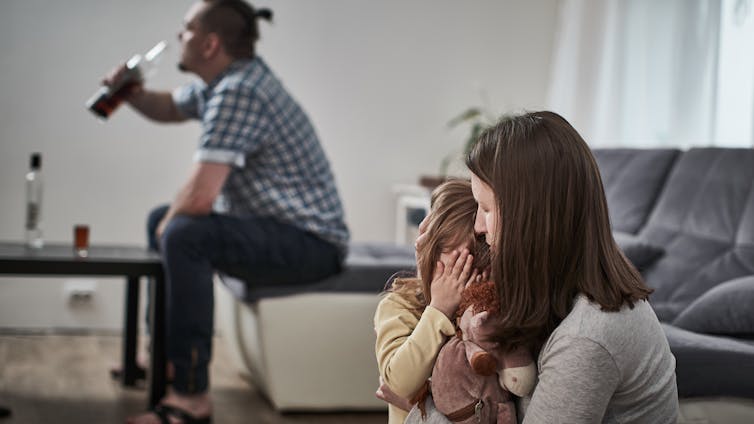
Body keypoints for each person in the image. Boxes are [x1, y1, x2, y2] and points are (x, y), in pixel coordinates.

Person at [104, 1, 350, 422]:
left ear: (210, 43)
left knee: (182, 232)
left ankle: (191, 397)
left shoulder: (239, 91)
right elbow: (167, 107)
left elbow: (200, 198)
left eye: (186, 29)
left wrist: (170, 227)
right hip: (281, 231)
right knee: (165, 222)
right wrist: (129, 93)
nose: (179, 36)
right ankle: (166, 358)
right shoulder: (225, 82)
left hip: (311, 244)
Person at [465, 111, 679, 423]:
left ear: (532, 217)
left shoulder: (587, 337)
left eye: (486, 208)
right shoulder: (551, 293)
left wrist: (415, 407)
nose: (478, 226)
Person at [374, 179, 486, 424]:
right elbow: (399, 383)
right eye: (449, 253)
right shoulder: (399, 305)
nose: (458, 273)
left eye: (471, 259)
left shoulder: (488, 316)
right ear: (430, 250)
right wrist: (438, 309)